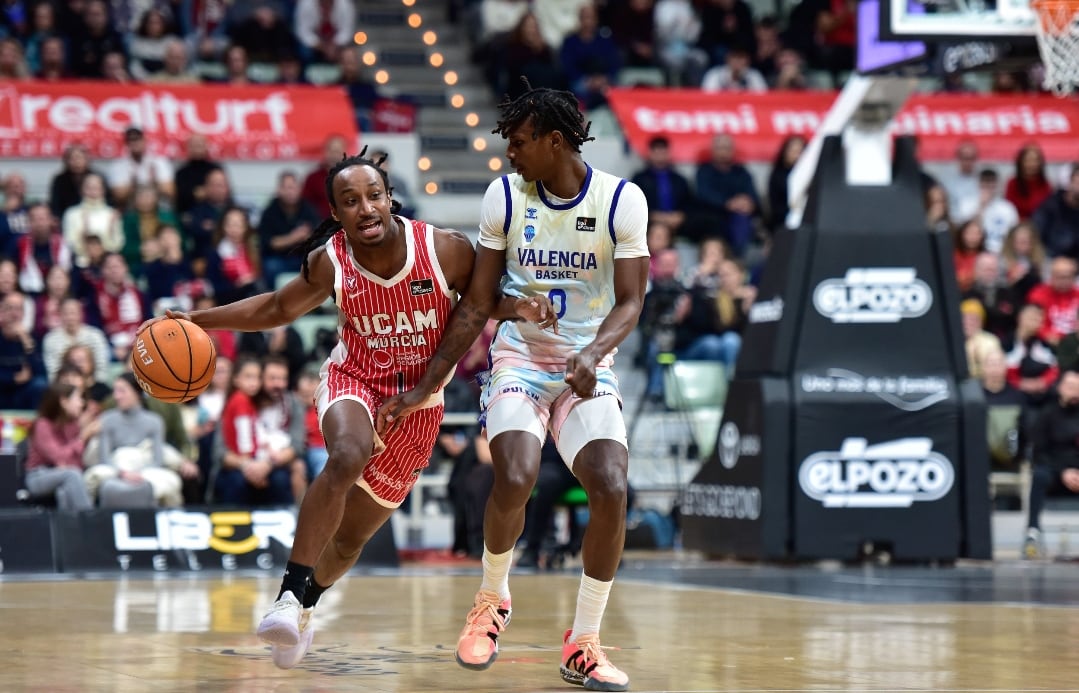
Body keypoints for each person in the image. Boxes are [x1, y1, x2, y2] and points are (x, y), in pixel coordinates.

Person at [138, 149, 480, 669]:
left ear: (390, 198)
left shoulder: (443, 249)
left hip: (420, 406)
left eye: (373, 195)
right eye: (350, 201)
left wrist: (525, 305)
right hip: (355, 380)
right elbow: (277, 307)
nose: (365, 208)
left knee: (349, 539)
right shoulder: (331, 262)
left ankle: (306, 609)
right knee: (346, 454)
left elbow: (481, 304)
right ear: (336, 214)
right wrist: (201, 320)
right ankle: (287, 597)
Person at [378, 82, 649, 691]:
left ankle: (583, 643)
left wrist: (595, 353)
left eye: (520, 143)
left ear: (556, 141)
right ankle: (491, 601)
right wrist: (429, 382)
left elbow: (632, 301)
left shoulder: (620, 201)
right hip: (520, 364)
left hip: (588, 365)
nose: (510, 155)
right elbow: (477, 305)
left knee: (609, 485)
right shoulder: (503, 197)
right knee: (517, 473)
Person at [23, 382, 94, 511]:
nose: (81, 403)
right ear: (64, 402)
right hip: (39, 475)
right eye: (78, 398)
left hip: (64, 474)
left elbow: (76, 461)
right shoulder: (42, 425)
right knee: (72, 475)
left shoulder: (73, 425)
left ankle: (70, 529)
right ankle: (90, 520)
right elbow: (58, 456)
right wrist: (82, 437)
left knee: (65, 490)